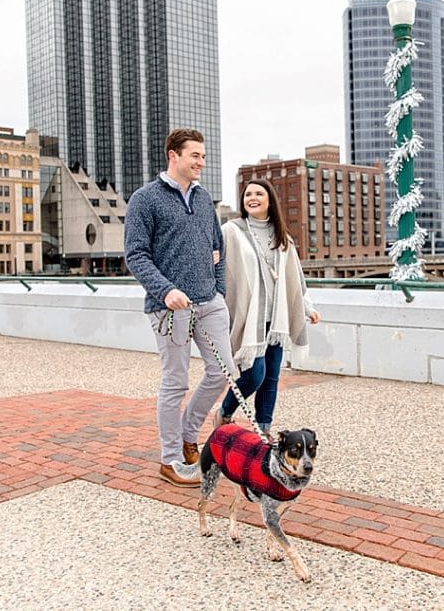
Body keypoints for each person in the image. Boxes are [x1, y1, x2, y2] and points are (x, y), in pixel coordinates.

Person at [124, 128, 234, 487]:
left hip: (209, 303)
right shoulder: (145, 199)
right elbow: (136, 255)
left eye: (203, 156)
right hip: (169, 308)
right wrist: (166, 290)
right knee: (175, 383)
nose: (202, 162)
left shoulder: (204, 199)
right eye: (195, 156)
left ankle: (189, 434)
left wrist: (217, 291)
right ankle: (170, 458)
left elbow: (218, 250)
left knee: (222, 372)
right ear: (173, 155)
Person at [216, 179, 320, 437]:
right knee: (255, 375)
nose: (252, 198)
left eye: (258, 193)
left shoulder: (281, 236)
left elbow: (295, 277)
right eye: (247, 194)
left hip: (277, 319)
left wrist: (307, 308)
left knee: (272, 378)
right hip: (249, 316)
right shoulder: (231, 230)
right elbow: (217, 263)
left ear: (269, 199)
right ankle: (225, 412)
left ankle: (264, 431)